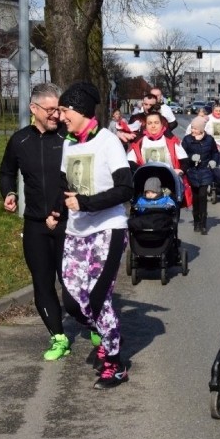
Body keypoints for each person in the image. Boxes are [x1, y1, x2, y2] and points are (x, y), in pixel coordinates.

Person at [48, 81, 133, 390]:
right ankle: (110, 331)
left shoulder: (108, 141)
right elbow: (63, 184)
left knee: (97, 298)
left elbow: (126, 189)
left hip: (107, 229)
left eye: (64, 110)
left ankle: (115, 361)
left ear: (80, 109)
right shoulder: (69, 142)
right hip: (75, 232)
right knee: (73, 303)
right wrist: (57, 211)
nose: (60, 116)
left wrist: (85, 203)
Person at [0, 82, 74, 361]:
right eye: (51, 109)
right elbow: (6, 172)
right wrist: (8, 193)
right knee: (42, 282)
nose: (57, 115)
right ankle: (58, 336)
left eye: (60, 109)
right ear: (34, 109)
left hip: (68, 222)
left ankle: (92, 323)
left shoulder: (70, 138)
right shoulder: (20, 141)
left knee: (72, 283)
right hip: (35, 225)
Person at [181, 116, 217, 234]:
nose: (193, 131)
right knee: (195, 197)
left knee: (202, 196)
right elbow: (182, 155)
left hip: (205, 170)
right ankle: (196, 221)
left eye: (195, 129)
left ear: (201, 129)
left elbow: (215, 153)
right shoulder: (187, 140)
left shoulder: (209, 140)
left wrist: (214, 161)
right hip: (192, 171)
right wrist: (190, 158)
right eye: (192, 128)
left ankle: (203, 224)